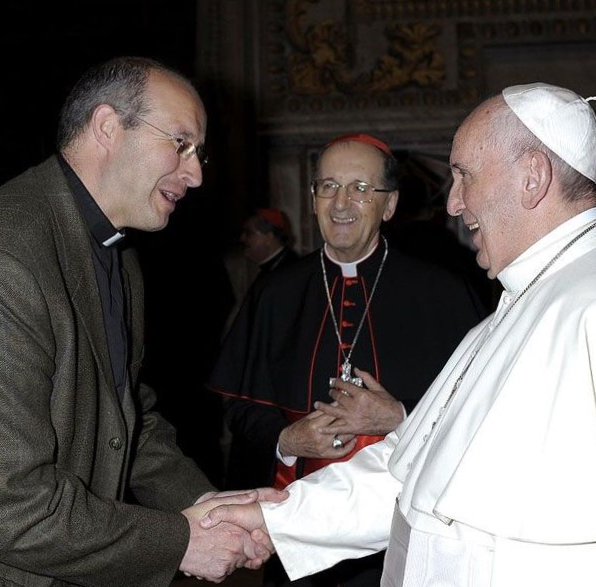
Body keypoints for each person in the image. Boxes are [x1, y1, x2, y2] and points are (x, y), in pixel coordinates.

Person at [200, 83, 596, 586]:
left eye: (464, 176)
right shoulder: (533, 294)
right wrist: (276, 516)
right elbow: (413, 473)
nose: (453, 204)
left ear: (533, 178)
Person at [0, 56, 284, 587]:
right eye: (180, 144)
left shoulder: (114, 252)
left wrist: (206, 505)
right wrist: (182, 542)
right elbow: (8, 510)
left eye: (200, 153)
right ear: (107, 127)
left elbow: (125, 414)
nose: (196, 174)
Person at [208, 133, 485, 585]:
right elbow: (240, 406)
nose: (341, 202)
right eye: (328, 186)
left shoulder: (441, 292)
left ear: (389, 205)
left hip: (403, 533)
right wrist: (286, 439)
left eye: (360, 188)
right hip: (297, 531)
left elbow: (479, 415)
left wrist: (400, 416)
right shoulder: (276, 293)